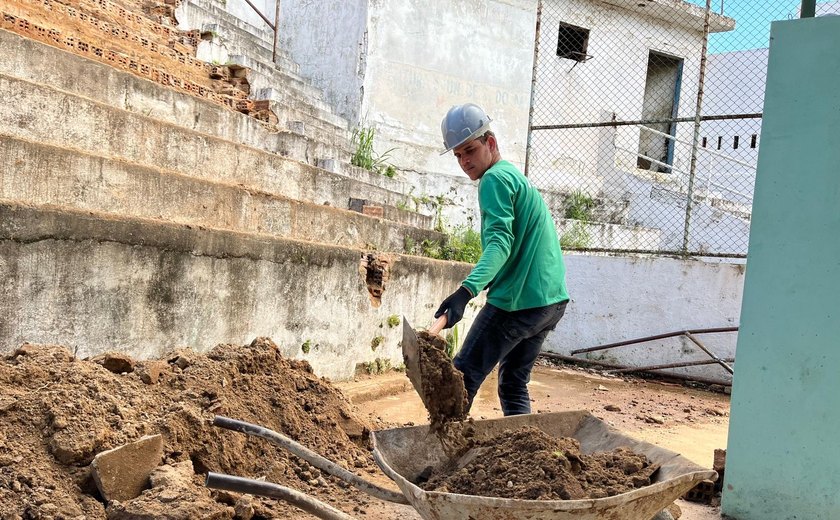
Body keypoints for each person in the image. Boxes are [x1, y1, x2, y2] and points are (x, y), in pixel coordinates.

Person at [435, 102, 569, 416]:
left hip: (518, 304)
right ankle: (527, 455)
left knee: (460, 380)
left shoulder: (494, 179)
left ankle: (440, 458)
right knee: (512, 384)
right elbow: (513, 249)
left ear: (490, 143)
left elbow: (499, 245)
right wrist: (480, 285)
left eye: (469, 150)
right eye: (457, 156)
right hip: (549, 303)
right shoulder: (512, 176)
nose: (465, 162)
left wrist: (464, 293)